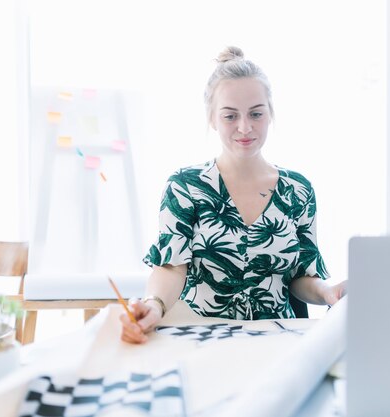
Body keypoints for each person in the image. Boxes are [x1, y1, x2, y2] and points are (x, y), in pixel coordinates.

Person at [121, 46, 347, 343]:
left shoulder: (298, 190)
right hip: (199, 334)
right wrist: (154, 304)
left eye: (256, 113)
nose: (245, 127)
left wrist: (327, 293)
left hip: (277, 339)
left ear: (270, 114)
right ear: (212, 118)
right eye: (230, 116)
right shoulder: (185, 186)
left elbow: (301, 276)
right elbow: (172, 268)